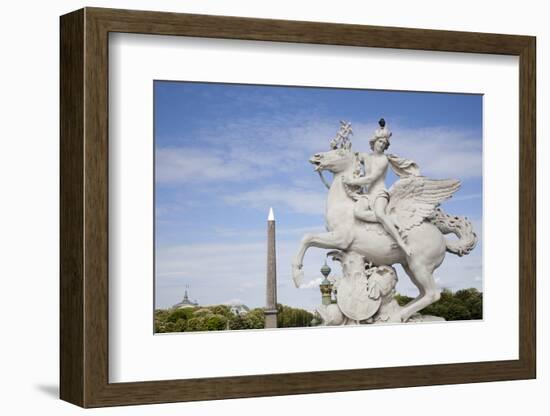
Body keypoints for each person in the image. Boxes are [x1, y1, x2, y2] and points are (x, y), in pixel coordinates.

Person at [343, 119, 419, 256]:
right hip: (367, 195)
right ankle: (391, 220)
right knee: (357, 213)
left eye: (384, 144)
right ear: (374, 142)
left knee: (379, 214)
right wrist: (341, 146)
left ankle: (402, 243)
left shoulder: (383, 160)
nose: (382, 145)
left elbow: (371, 178)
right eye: (380, 142)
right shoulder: (365, 156)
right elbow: (350, 157)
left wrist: (352, 181)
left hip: (380, 193)